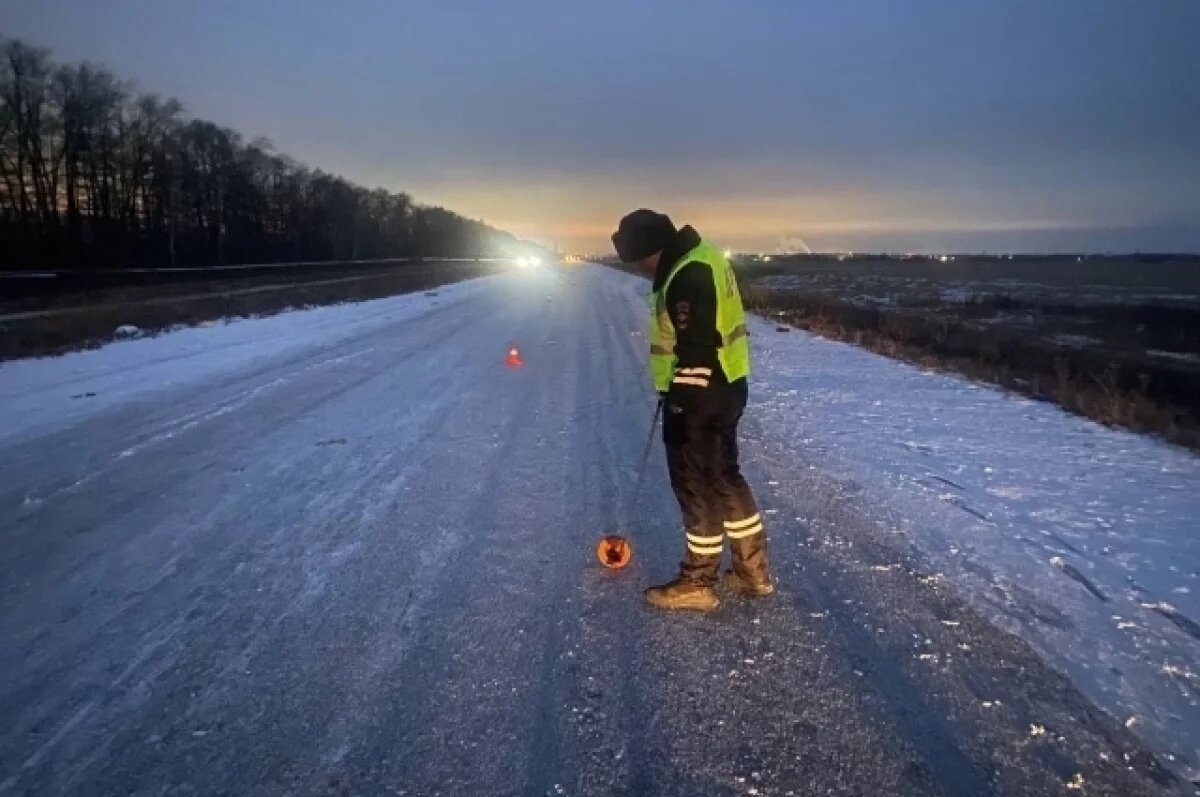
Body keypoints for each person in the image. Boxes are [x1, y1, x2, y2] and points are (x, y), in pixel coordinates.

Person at [611, 209, 774, 612]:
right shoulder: (703, 257)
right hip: (727, 385)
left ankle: (698, 581)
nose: (643, 272)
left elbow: (697, 348)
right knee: (724, 478)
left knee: (695, 486)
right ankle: (754, 573)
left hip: (701, 393)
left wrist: (681, 402)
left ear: (653, 251)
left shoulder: (687, 275)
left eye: (639, 262)